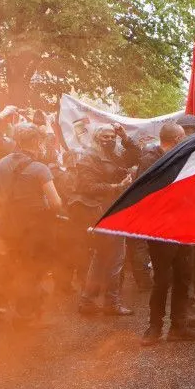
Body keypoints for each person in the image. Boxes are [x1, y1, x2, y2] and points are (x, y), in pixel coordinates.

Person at [0, 123, 65, 324]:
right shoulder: (40, 168)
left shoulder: (1, 164)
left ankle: (12, 307)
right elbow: (56, 202)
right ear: (35, 141)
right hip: (35, 229)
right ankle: (27, 313)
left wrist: (12, 209)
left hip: (9, 226)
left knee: (15, 265)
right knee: (34, 269)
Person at [144, 122, 195, 343]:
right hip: (161, 230)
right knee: (162, 279)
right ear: (177, 139)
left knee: (183, 277)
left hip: (183, 227)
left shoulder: (182, 157)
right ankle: (154, 328)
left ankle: (179, 327)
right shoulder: (150, 160)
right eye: (184, 137)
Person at [71, 125, 135, 316]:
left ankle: (88, 302)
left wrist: (124, 136)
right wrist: (117, 186)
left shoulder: (114, 155)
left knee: (101, 260)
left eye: (111, 136)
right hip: (101, 214)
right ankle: (110, 303)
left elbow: (134, 156)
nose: (109, 139)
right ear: (96, 138)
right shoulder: (88, 157)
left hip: (113, 211)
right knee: (114, 260)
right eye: (104, 137)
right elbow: (86, 186)